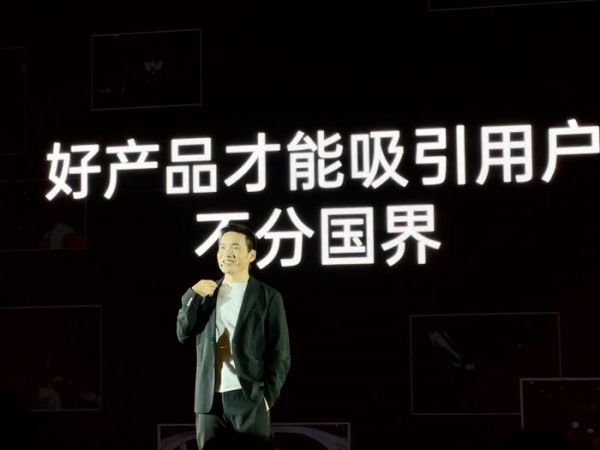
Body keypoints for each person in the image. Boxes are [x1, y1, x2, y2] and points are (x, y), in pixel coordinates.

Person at [176, 222, 291, 449]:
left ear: (251, 255)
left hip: (248, 396)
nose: (226, 253)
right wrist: (192, 295)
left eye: (235, 247)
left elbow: (281, 353)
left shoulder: (267, 296)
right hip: (209, 400)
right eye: (222, 247)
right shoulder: (206, 293)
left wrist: (267, 398)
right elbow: (183, 333)